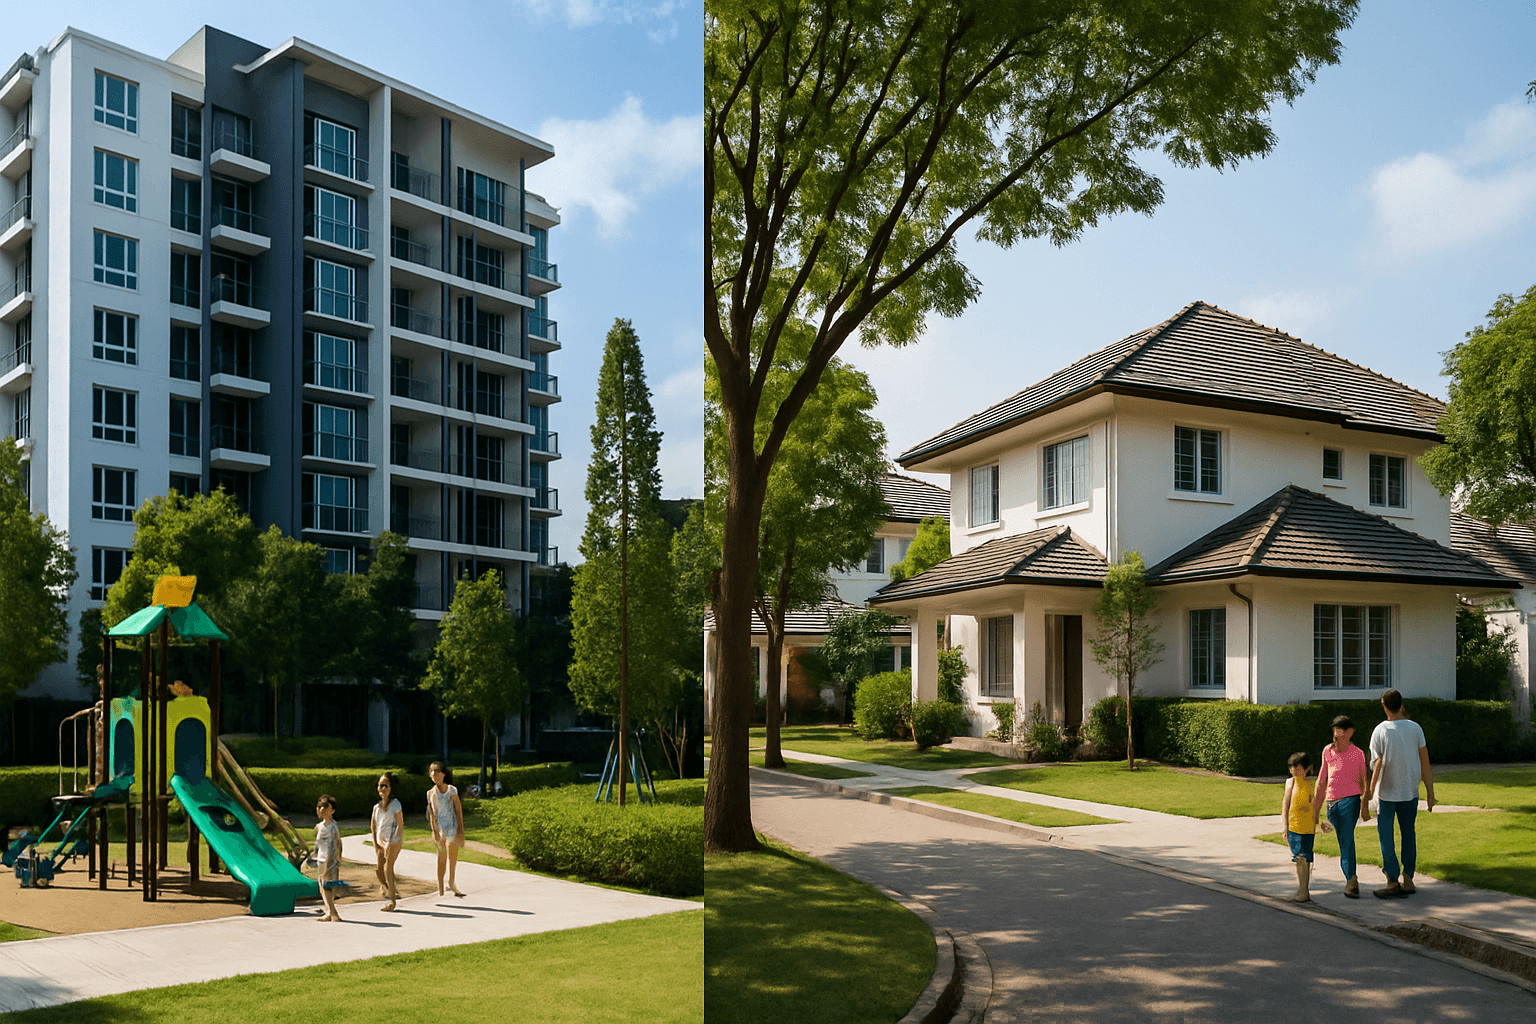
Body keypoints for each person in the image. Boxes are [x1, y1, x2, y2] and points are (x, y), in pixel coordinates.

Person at [1366, 689, 1436, 898]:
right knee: (1408, 835)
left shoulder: (1380, 731)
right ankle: (1408, 877)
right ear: (1401, 704)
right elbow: (1425, 762)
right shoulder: (1415, 728)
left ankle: (1391, 879)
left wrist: (1368, 792)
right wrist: (1430, 791)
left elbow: (1376, 764)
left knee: (1386, 837)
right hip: (1410, 791)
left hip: (1386, 793)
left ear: (1384, 706)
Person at [1312, 714, 1369, 898]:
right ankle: (1350, 877)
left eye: (1341, 733)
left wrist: (1364, 805)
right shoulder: (1327, 752)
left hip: (1349, 802)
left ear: (1350, 732)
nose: (1337, 737)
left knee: (1346, 839)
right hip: (1331, 805)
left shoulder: (1357, 753)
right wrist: (1315, 811)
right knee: (1342, 840)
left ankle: (1351, 880)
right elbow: (1322, 781)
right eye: (1335, 733)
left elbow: (1364, 782)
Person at [1281, 751, 1317, 903]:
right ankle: (1302, 888)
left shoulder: (1311, 784)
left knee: (1304, 858)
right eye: (1291, 768)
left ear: (1307, 768)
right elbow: (1286, 805)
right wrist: (1285, 825)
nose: (1294, 771)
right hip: (1294, 827)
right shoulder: (1290, 783)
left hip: (1307, 827)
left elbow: (1315, 805)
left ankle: (1304, 889)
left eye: (1297, 767)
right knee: (1299, 858)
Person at [427, 761, 466, 898]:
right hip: (440, 827)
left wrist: (461, 831)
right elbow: (432, 813)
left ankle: (451, 882)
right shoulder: (430, 793)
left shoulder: (451, 790)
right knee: (441, 855)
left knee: (452, 856)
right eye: (432, 771)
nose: (435, 774)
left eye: (437, 771)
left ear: (443, 774)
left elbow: (458, 810)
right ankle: (440, 884)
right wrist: (434, 830)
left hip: (452, 826)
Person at [371, 772, 405, 911]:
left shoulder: (395, 804)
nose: (382, 788)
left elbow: (400, 825)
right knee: (379, 871)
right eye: (380, 785)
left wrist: (393, 841)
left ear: (391, 788)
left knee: (387, 868)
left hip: (393, 841)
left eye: (385, 785)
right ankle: (390, 888)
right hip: (381, 842)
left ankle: (392, 902)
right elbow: (373, 826)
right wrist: (376, 844)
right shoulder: (376, 807)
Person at [312, 793, 343, 922]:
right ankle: (329, 912)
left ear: (332, 811)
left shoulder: (333, 827)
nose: (322, 809)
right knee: (321, 886)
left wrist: (337, 859)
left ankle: (334, 913)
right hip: (321, 861)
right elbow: (317, 844)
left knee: (328, 887)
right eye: (320, 806)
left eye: (325, 807)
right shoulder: (319, 826)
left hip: (330, 861)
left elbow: (338, 844)